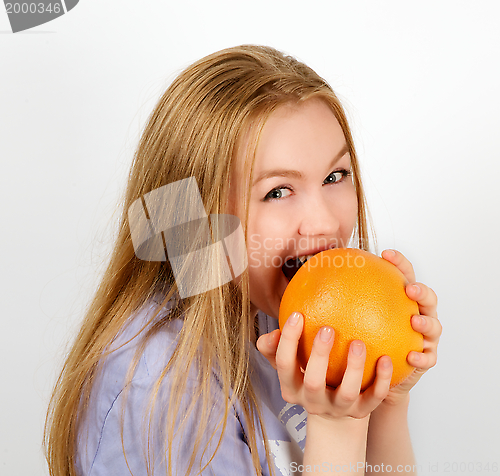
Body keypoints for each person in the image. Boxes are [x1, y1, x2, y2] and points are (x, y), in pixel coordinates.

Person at [44, 45, 441, 476]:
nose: (325, 222)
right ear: (199, 219)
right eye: (277, 191)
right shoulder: (158, 390)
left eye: (335, 176)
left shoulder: (280, 322)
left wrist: (385, 401)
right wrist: (336, 425)